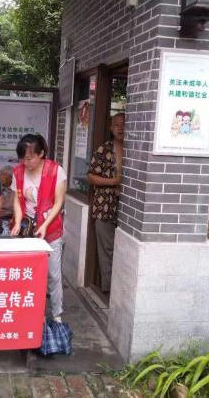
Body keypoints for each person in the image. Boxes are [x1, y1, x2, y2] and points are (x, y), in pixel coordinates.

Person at [10, 134, 67, 322]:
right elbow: (17, 200)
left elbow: (58, 202)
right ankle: (36, 313)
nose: (25, 163)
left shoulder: (56, 170)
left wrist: (45, 224)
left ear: (41, 153)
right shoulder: (18, 172)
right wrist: (18, 221)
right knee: (30, 272)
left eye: (29, 158)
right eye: (22, 158)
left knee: (53, 274)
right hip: (27, 230)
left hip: (50, 229)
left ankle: (57, 314)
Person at [87, 112, 125, 293]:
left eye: (124, 124)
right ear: (111, 128)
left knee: (123, 250)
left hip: (127, 208)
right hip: (104, 206)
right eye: (116, 125)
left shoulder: (136, 150)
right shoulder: (103, 150)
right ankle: (108, 289)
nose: (120, 128)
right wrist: (113, 182)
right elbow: (91, 177)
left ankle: (122, 291)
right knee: (107, 249)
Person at [0, 165, 15, 237]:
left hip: (8, 221)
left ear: (10, 178)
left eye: (3, 174)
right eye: (0, 174)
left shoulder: (15, 192)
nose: (0, 176)